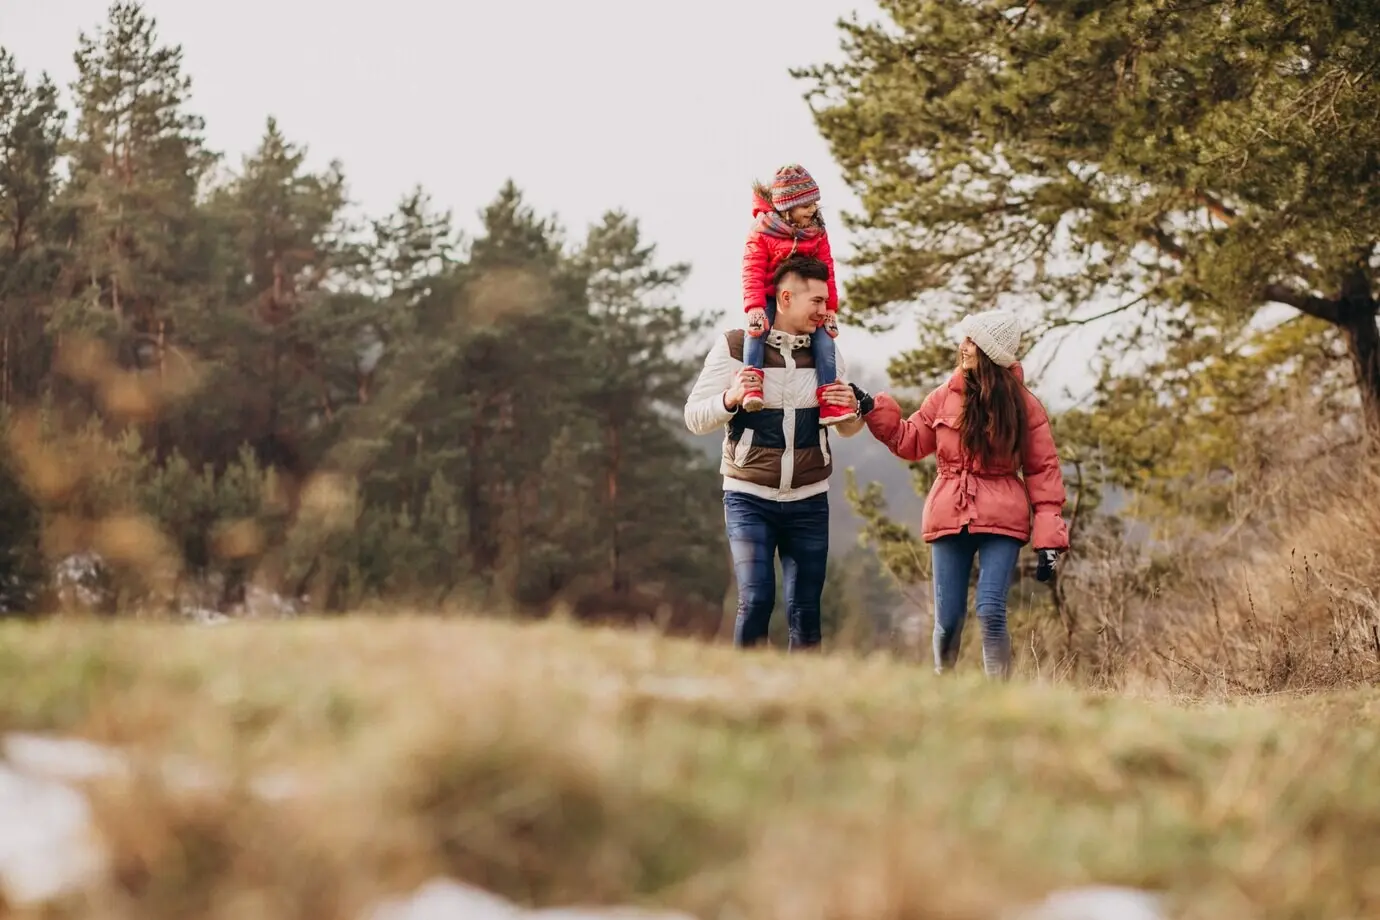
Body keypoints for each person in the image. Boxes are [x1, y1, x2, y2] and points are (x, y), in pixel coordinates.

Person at [852, 310, 1069, 679]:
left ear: (989, 352)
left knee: (990, 610)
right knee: (949, 619)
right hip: (950, 513)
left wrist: (1049, 538)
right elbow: (909, 440)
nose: (963, 346)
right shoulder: (944, 396)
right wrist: (874, 410)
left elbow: (1043, 471)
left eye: (972, 341)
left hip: (1003, 519)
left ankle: (1000, 700)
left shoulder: (1025, 406)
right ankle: (944, 687)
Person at [684, 255, 864, 650]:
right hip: (748, 497)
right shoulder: (735, 347)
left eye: (826, 301)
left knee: (806, 611)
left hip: (810, 501)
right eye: (816, 301)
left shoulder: (828, 354)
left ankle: (804, 687)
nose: (825, 310)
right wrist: (731, 397)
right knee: (756, 598)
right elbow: (694, 417)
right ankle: (745, 682)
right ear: (785, 298)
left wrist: (852, 411)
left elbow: (848, 429)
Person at [739, 164, 855, 428]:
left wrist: (830, 307)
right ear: (786, 207)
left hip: (804, 300)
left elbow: (828, 269)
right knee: (756, 333)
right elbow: (752, 271)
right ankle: (752, 385)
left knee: (825, 341)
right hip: (769, 295)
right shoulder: (762, 231)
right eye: (805, 206)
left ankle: (829, 400)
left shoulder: (817, 232)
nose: (812, 210)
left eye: (814, 204)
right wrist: (755, 306)